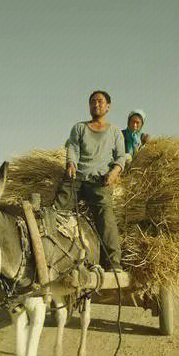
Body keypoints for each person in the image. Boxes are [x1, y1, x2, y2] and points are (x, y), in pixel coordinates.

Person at [54, 90, 126, 272]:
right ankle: (51, 254)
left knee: (105, 217)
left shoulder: (115, 132)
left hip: (99, 181)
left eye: (100, 102)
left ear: (108, 107)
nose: (96, 105)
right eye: (93, 102)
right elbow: (73, 148)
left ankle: (113, 262)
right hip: (77, 178)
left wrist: (114, 173)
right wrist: (70, 163)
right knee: (57, 211)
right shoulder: (79, 128)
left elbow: (120, 157)